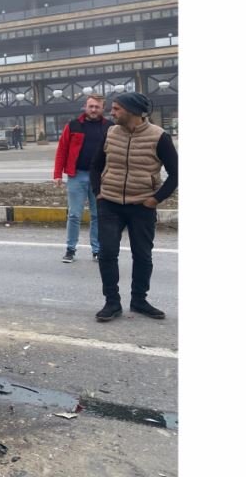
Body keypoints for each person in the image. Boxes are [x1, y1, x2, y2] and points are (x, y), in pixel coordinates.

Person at [90, 92, 178, 322]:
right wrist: (98, 192)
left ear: (132, 111)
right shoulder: (111, 133)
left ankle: (139, 300)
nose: (112, 112)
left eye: (117, 109)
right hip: (110, 204)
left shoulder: (159, 137)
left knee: (143, 255)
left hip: (142, 206)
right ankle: (112, 302)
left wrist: (155, 199)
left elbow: (176, 174)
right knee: (107, 253)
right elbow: (95, 166)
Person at [52, 94, 112, 263]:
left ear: (103, 109)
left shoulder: (110, 127)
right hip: (76, 175)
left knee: (97, 215)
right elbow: (62, 149)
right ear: (85, 107)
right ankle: (70, 250)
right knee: (74, 215)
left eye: (97, 107)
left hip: (100, 177)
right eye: (90, 106)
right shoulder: (73, 125)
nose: (93, 110)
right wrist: (57, 174)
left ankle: (97, 250)